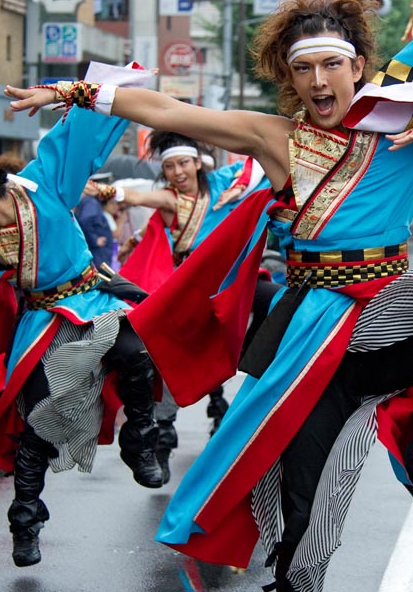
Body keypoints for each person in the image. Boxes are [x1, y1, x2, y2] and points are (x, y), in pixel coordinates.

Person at [5, 0, 413, 592]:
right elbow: (167, 108)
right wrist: (77, 94)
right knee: (308, 499)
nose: (319, 81)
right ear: (288, 77)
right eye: (303, 69)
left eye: (332, 65)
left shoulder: (407, 122)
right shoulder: (276, 138)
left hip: (389, 313)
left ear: (359, 68)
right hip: (316, 335)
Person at [0, 105, 165, 568]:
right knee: (38, 422)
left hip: (95, 296)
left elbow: (79, 133)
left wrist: (91, 93)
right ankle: (26, 521)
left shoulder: (43, 184)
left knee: (135, 350)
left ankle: (141, 438)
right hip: (44, 319)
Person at [87, 129, 273, 483]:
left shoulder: (221, 185)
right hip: (186, 292)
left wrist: (245, 180)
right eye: (169, 166)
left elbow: (259, 161)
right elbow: (142, 197)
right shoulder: (171, 198)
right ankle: (164, 437)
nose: (177, 172)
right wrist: (106, 192)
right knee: (173, 366)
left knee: (276, 298)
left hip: (227, 286)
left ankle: (251, 358)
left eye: (184, 163)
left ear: (198, 163)